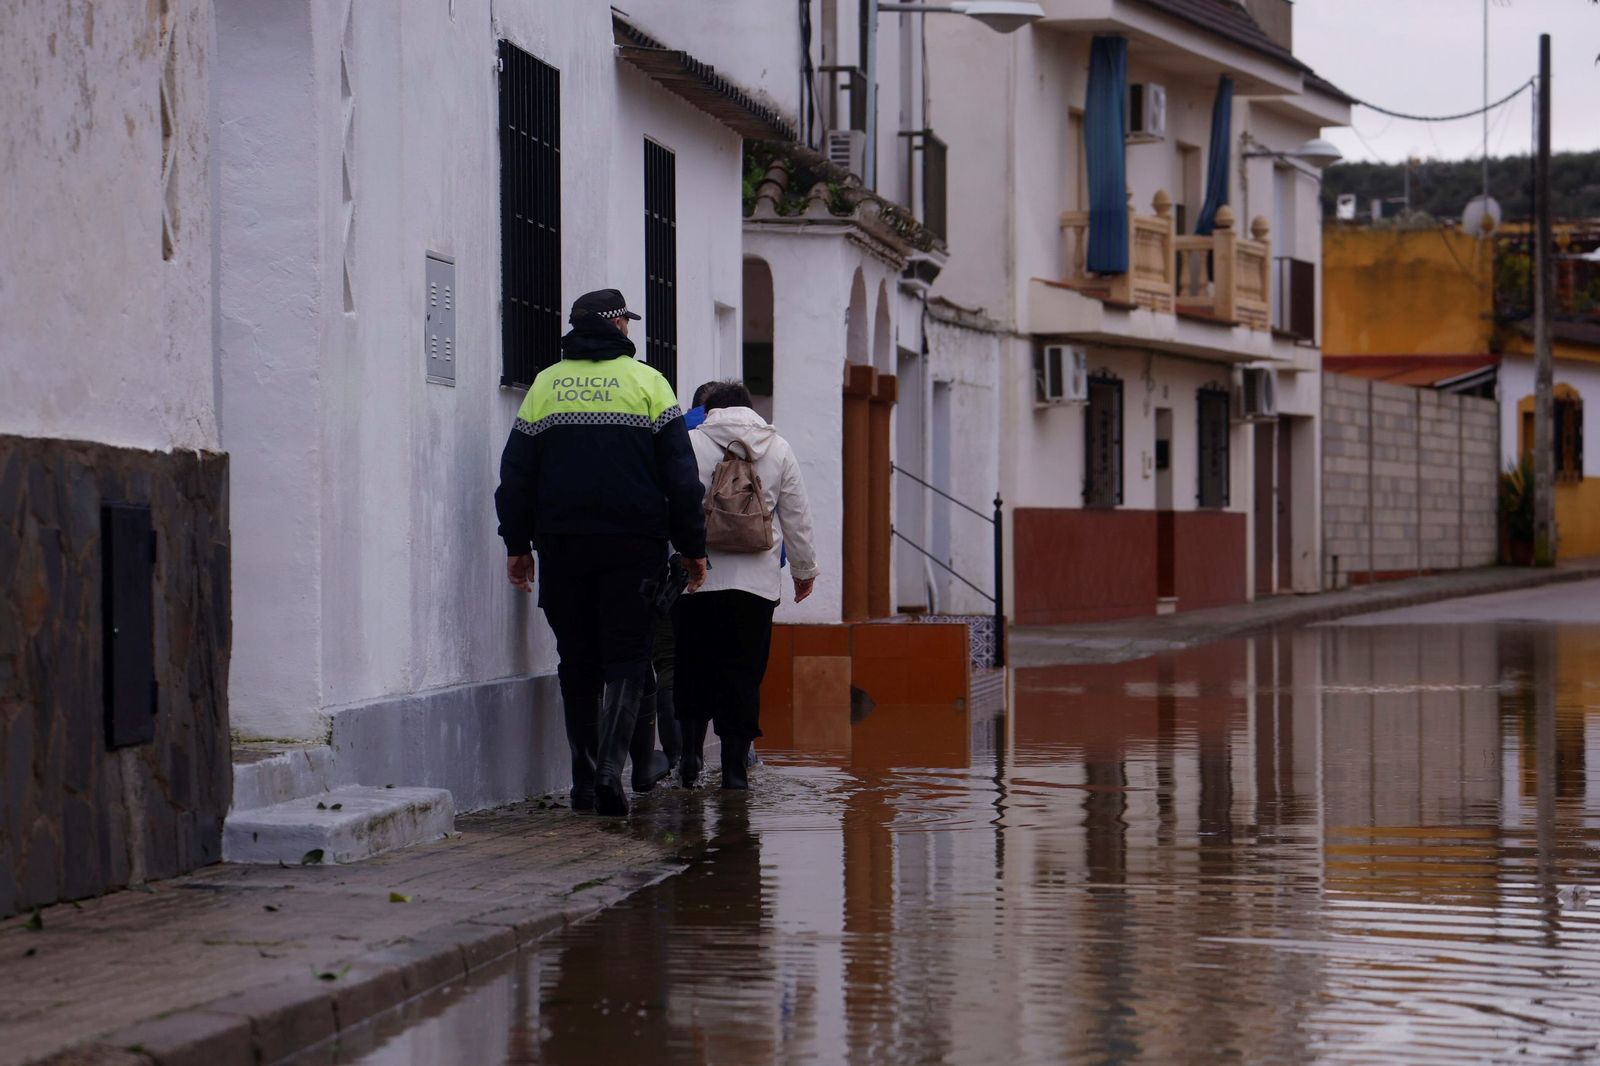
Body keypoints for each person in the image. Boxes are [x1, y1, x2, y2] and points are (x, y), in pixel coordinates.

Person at [495, 288, 707, 817]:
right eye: (626, 322)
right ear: (617, 326)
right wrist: (692, 548)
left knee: (577, 659)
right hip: (633, 545)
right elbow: (682, 478)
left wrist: (517, 544)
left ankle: (585, 783)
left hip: (562, 545)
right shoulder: (649, 383)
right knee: (628, 657)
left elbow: (515, 476)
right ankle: (614, 771)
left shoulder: (545, 385)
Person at [676, 380, 818, 789]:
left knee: (693, 666)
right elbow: (796, 516)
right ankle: (735, 771)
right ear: (749, 408)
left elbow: (672, 504)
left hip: (696, 579)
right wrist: (803, 571)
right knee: (742, 674)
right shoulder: (779, 448)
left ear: (711, 410)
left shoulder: (689, 443)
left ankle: (688, 759)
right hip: (756, 587)